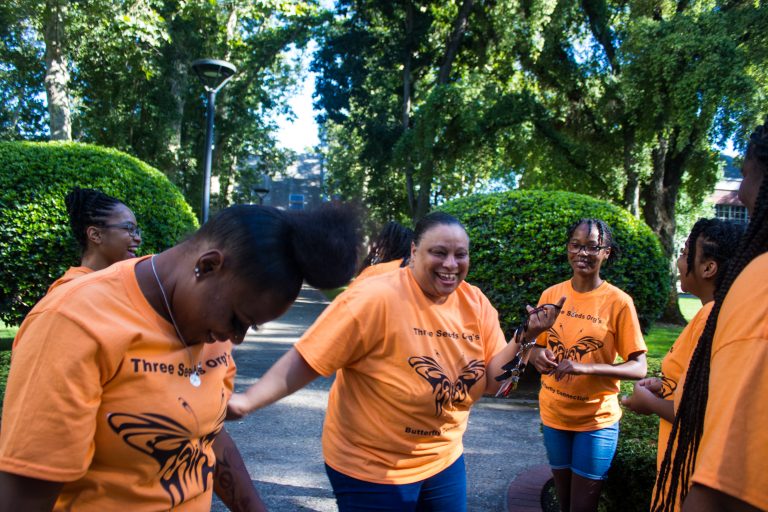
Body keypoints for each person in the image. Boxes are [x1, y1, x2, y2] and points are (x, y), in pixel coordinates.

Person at [0, 203, 360, 511]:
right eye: (237, 321)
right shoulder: (74, 323)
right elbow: (26, 493)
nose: (234, 338)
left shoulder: (208, 326)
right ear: (207, 265)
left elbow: (206, 435)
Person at [227, 211, 564, 512]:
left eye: (460, 255)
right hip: (370, 466)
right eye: (439, 252)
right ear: (414, 252)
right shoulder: (375, 296)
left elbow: (493, 383)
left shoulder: (475, 303)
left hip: (442, 458)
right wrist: (246, 401)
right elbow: (309, 358)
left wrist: (526, 337)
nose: (451, 264)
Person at [652, 120, 768, 512]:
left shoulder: (755, 289)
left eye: (748, 175)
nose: (740, 190)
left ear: (708, 268)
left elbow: (725, 483)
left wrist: (646, 400)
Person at [529, 218, 648, 512]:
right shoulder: (551, 295)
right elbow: (533, 345)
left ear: (606, 252)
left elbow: (639, 367)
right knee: (563, 501)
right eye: (576, 245)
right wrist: (535, 355)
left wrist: (587, 368)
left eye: (592, 247)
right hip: (554, 414)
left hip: (596, 421)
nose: (583, 253)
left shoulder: (618, 302)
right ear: (568, 249)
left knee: (583, 506)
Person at [622, 219, 743, 477]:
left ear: (708, 268)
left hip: (687, 474)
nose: (680, 261)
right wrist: (665, 387)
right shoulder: (711, 315)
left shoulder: (711, 318)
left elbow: (703, 413)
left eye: (686, 254)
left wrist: (650, 403)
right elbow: (694, 387)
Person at [47, 187, 142, 293]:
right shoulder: (71, 292)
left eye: (137, 231)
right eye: (129, 228)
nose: (138, 239)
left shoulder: (120, 286)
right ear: (95, 235)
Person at [349, 220, 414, 288]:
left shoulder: (376, 272)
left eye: (382, 243)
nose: (377, 247)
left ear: (389, 245)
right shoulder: (412, 275)